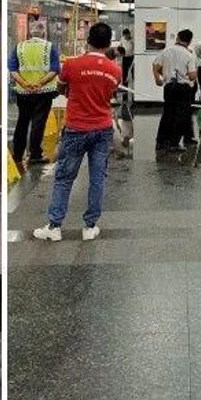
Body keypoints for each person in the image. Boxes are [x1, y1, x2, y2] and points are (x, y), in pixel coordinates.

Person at [33, 23, 121, 242]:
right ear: (109, 43)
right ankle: (90, 227)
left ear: (88, 40)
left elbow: (60, 88)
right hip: (102, 128)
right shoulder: (115, 70)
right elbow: (111, 91)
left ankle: (54, 227)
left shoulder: (72, 65)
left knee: (64, 177)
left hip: (75, 129)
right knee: (97, 178)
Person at [8, 20, 60, 166]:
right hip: (43, 92)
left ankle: (17, 154)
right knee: (38, 122)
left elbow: (12, 69)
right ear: (43, 32)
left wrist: (24, 83)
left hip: (23, 92)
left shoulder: (19, 47)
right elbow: (55, 69)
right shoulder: (49, 47)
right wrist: (40, 83)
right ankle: (35, 154)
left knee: (22, 122)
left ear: (30, 33)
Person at [153, 29, 197, 152]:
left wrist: (158, 78)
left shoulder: (167, 51)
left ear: (177, 38)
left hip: (169, 87)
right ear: (189, 41)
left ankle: (161, 142)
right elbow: (192, 75)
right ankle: (174, 143)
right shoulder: (189, 54)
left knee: (167, 114)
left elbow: (156, 66)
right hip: (183, 88)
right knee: (181, 117)